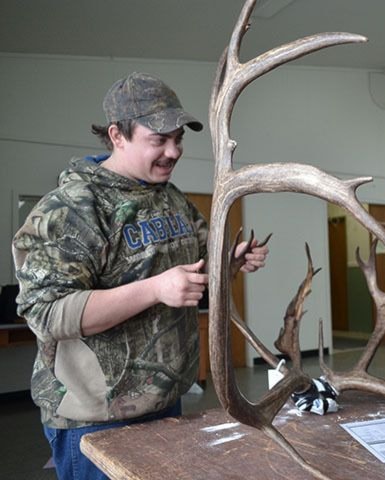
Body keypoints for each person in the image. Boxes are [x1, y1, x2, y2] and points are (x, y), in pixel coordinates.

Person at [12, 72, 269, 480]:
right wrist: (155, 288)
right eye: (159, 139)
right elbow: (46, 313)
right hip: (97, 422)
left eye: (179, 139)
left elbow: (198, 267)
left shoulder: (171, 200)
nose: (174, 151)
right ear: (117, 135)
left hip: (167, 404)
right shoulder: (72, 208)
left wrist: (231, 261)